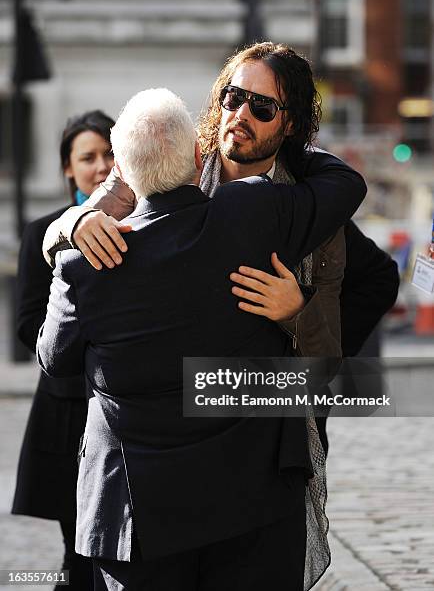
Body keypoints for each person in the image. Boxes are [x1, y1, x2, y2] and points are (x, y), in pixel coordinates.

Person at [37, 88, 366, 591]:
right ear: (198, 155)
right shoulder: (251, 210)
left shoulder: (84, 265)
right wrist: (282, 124)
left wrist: (81, 217)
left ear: (119, 170)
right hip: (252, 499)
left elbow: (53, 358)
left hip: (137, 514)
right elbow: (344, 183)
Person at [41, 42, 399, 456]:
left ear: (289, 125)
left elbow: (328, 364)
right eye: (234, 97)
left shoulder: (311, 212)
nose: (241, 115)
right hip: (162, 429)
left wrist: (297, 311)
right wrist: (77, 220)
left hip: (265, 435)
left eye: (263, 107)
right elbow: (59, 235)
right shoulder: (173, 164)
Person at [12, 110, 116, 590]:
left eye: (109, 154)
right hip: (64, 411)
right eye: (87, 157)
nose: (99, 166)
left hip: (123, 412)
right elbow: (27, 325)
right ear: (68, 169)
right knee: (76, 554)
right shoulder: (42, 233)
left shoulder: (142, 226)